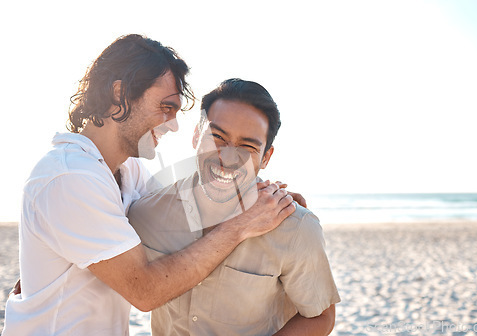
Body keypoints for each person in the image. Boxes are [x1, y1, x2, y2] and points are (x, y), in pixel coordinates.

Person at [2, 35, 296, 336]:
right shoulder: (70, 178)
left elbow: (188, 214)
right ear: (120, 94)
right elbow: (145, 291)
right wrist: (242, 224)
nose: (173, 124)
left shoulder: (129, 170)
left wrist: (272, 201)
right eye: (165, 107)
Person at [128, 78, 341, 336]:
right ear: (196, 134)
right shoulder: (144, 215)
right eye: (217, 137)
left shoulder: (297, 228)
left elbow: (320, 316)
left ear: (266, 157)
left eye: (248, 146)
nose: (228, 157)